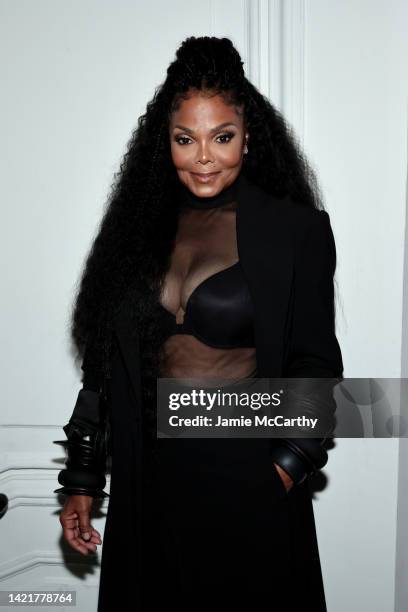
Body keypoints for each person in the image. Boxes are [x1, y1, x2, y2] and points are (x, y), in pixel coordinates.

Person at [54, 36, 343, 611]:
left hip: (247, 478)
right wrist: (84, 481)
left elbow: (315, 362)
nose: (204, 157)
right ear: (165, 143)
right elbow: (104, 370)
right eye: (185, 139)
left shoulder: (295, 231)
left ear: (248, 136)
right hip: (149, 482)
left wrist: (283, 471)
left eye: (222, 137)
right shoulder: (134, 235)